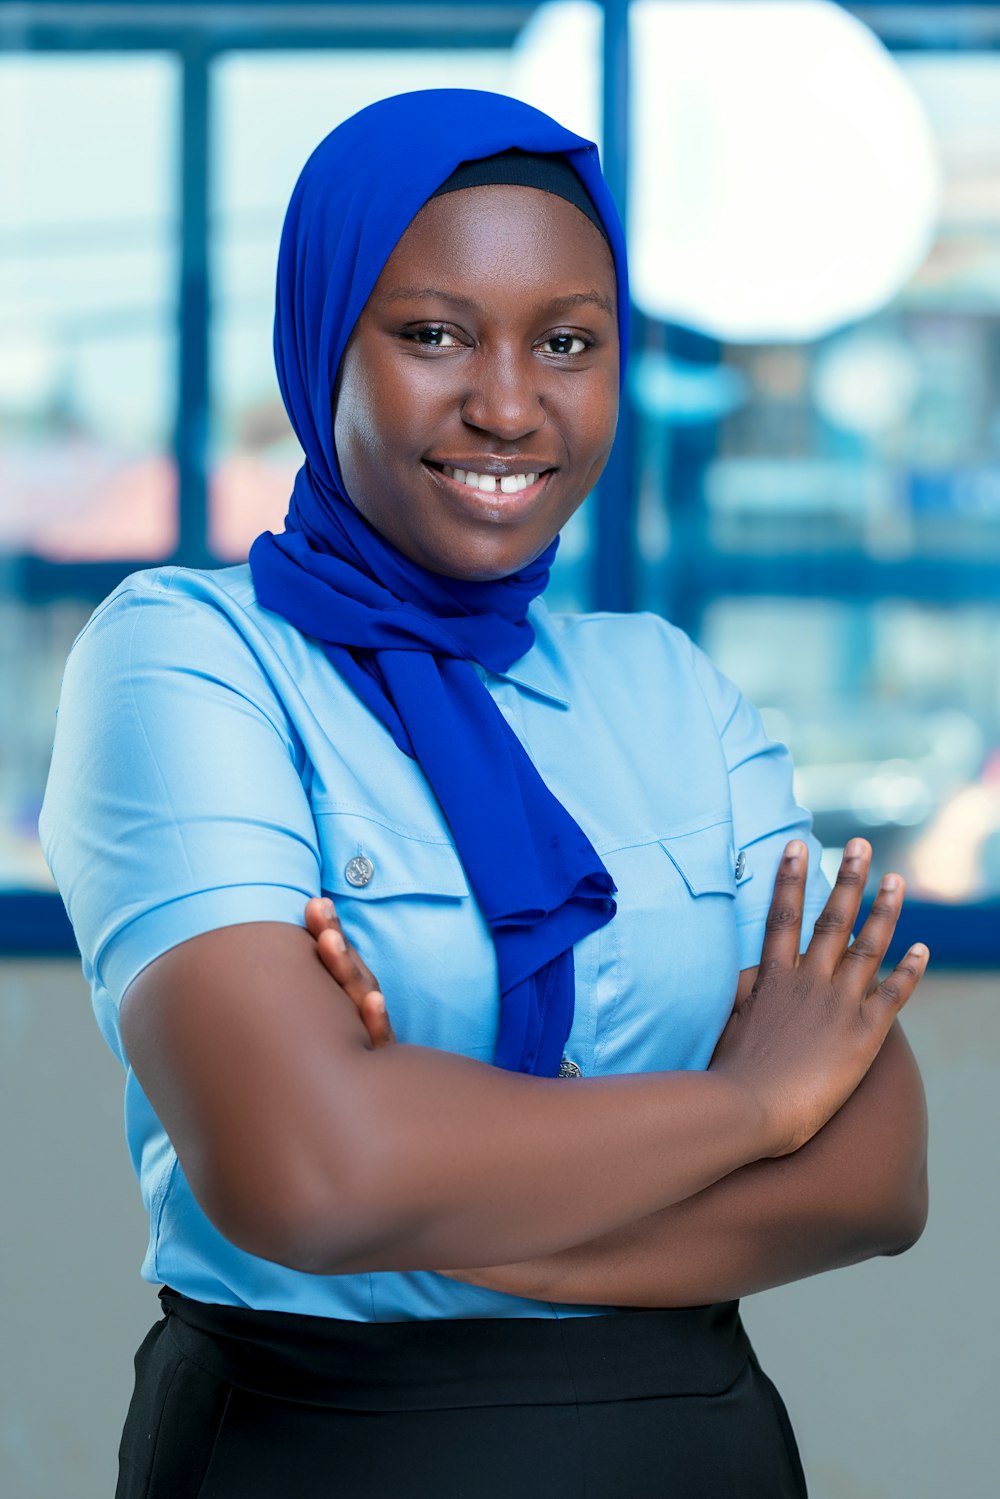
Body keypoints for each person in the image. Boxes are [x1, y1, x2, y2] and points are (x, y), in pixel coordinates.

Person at [40, 89, 928, 1499]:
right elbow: (306, 1175)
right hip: (318, 1449)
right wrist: (755, 1107)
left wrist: (446, 1183)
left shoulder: (674, 691)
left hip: (688, 1443)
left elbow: (877, 1175)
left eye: (567, 342)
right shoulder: (188, 660)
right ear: (324, 338)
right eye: (434, 334)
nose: (509, 405)